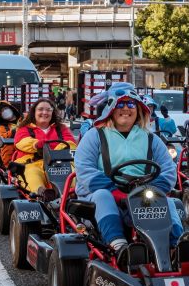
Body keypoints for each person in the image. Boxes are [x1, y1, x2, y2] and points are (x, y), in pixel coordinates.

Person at [73, 82, 180, 255]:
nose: (126, 109)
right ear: (110, 109)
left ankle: (177, 245)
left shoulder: (150, 137)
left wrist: (156, 188)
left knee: (168, 201)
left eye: (131, 104)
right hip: (103, 192)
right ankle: (118, 245)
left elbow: (168, 168)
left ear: (139, 109)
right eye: (120, 104)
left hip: (143, 191)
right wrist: (113, 189)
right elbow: (84, 168)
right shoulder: (95, 135)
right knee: (103, 196)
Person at [13, 98, 76, 195]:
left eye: (48, 110)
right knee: (32, 175)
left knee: (73, 175)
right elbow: (21, 142)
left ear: (52, 112)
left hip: (59, 164)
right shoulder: (25, 128)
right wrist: (36, 145)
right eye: (41, 109)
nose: (44, 112)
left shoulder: (61, 128)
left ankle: (73, 195)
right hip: (32, 163)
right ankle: (42, 194)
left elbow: (71, 143)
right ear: (34, 112)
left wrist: (59, 150)